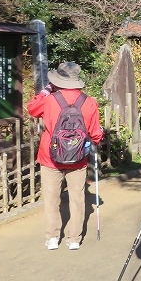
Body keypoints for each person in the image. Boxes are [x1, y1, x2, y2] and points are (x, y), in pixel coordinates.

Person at [26, 62, 103, 251]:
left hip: (49, 157)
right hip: (78, 159)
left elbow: (31, 108)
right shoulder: (89, 102)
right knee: (77, 198)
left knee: (51, 199)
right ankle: (74, 239)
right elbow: (95, 135)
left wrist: (45, 91)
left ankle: (52, 238)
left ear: (57, 80)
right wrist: (98, 132)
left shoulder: (50, 100)